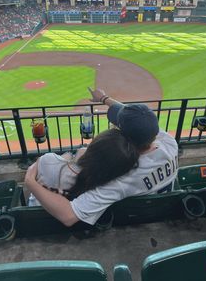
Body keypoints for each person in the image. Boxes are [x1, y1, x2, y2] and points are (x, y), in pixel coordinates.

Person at [25, 87, 178, 227]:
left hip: (137, 218)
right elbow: (138, 122)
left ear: (123, 138)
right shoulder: (169, 143)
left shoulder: (121, 179)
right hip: (161, 207)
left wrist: (30, 182)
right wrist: (104, 98)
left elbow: (69, 216)